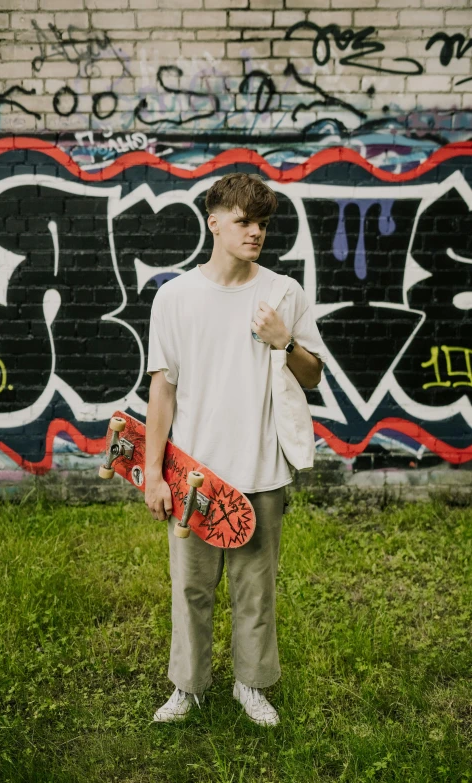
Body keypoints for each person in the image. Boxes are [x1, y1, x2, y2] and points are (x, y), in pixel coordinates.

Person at [144, 173, 329, 726]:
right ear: (214, 221)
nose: (255, 233)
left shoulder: (282, 293)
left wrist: (284, 341)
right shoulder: (175, 296)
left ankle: (251, 685)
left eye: (263, 224)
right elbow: (163, 389)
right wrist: (154, 473)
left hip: (262, 469)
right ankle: (189, 687)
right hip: (195, 475)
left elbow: (313, 376)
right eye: (245, 221)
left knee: (255, 591)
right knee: (191, 589)